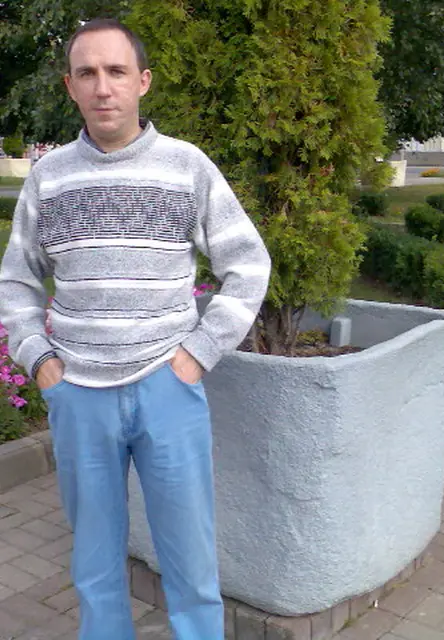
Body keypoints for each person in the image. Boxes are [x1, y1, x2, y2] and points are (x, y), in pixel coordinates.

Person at [0, 18, 271, 640]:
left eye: (117, 71)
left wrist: (198, 353)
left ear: (142, 81)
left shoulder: (186, 167)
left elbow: (248, 264)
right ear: (70, 86)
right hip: (78, 394)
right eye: (88, 73)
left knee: (190, 556)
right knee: (95, 559)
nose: (103, 87)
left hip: (166, 387)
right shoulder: (48, 176)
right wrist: (38, 356)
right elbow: (17, 278)